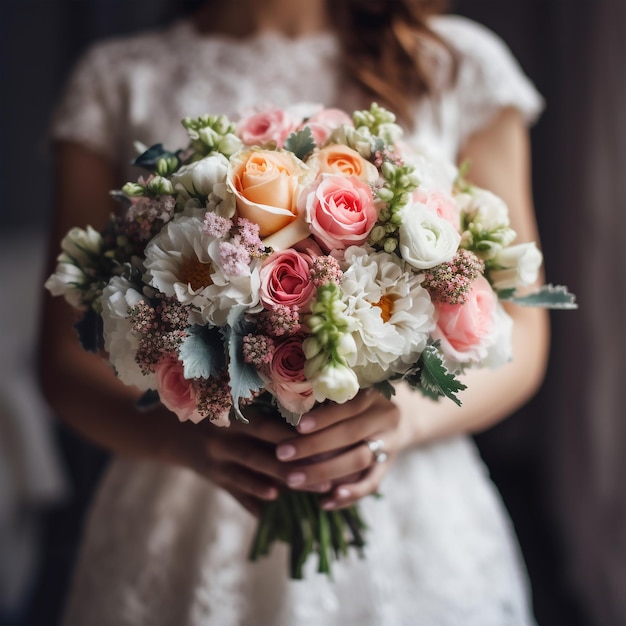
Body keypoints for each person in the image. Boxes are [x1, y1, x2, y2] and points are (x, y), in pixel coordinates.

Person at [39, 0, 549, 624]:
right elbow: (64, 357)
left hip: (414, 499)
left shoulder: (455, 62)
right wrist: (187, 441)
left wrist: (401, 424)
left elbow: (523, 330)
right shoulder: (119, 76)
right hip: (187, 497)